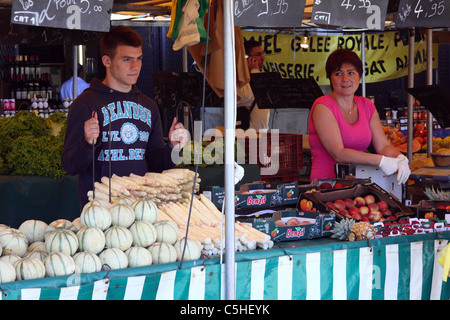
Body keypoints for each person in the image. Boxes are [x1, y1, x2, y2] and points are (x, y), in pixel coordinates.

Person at [62, 25, 188, 209]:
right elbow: (70, 166)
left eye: (139, 59)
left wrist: (173, 149)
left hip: (141, 207)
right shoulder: (85, 104)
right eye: (127, 59)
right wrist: (87, 142)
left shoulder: (149, 106)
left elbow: (155, 165)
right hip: (99, 209)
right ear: (107, 60)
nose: (135, 66)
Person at [308, 48, 410, 185]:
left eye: (351, 73)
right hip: (326, 184)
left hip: (358, 183)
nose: (345, 79)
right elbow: (338, 153)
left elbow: (383, 145)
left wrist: (400, 157)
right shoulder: (323, 106)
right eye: (338, 73)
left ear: (359, 76)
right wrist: (381, 161)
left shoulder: (366, 105)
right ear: (330, 78)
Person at [237, 40, 270, 131]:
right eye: (258, 55)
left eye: (263, 53)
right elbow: (245, 96)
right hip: (246, 137)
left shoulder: (258, 78)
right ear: (247, 58)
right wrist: (254, 71)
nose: (263, 57)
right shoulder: (241, 79)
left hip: (260, 135)